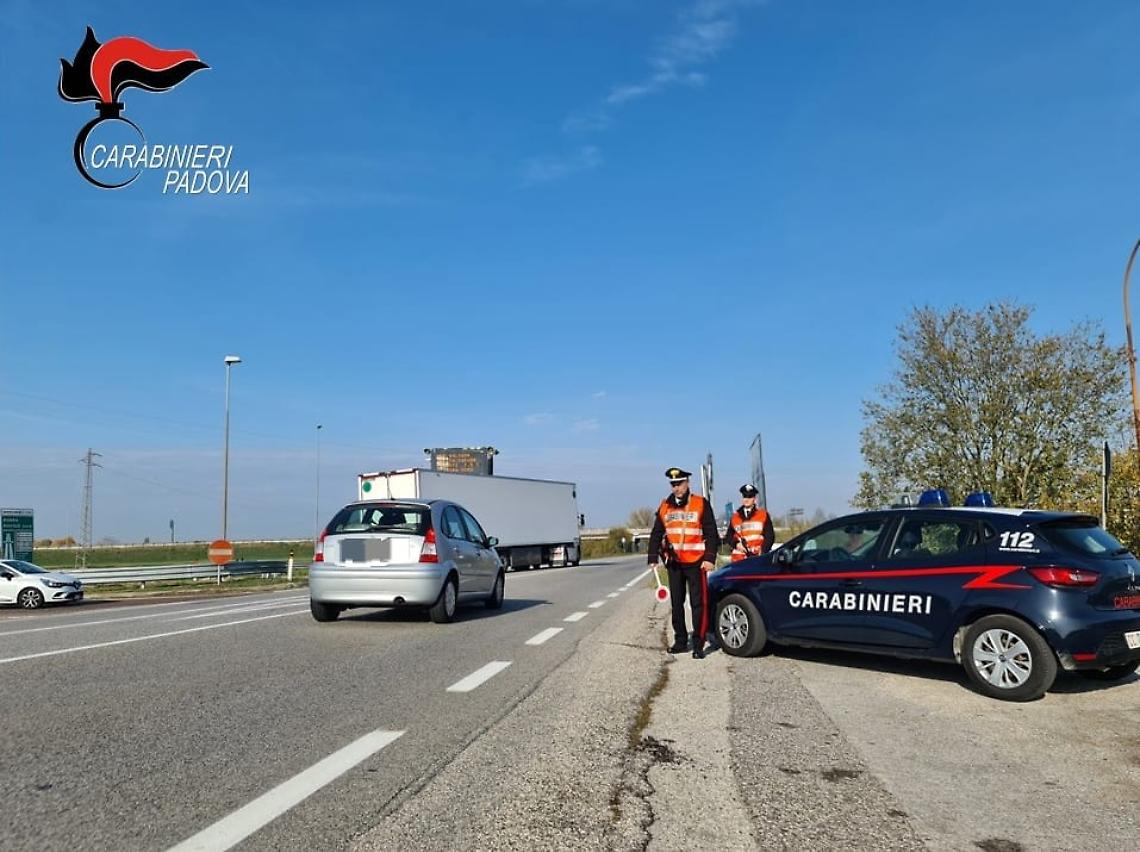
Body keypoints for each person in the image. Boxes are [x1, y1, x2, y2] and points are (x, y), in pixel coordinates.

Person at [648, 467, 720, 659]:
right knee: (676, 604)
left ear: (687, 483)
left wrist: (709, 558)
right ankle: (680, 641)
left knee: (698, 604)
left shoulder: (700, 503)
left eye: (679, 483)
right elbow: (656, 533)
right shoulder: (665, 506)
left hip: (696, 562)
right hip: (674, 563)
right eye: (673, 484)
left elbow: (711, 533)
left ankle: (698, 644)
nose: (676, 488)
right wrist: (652, 558)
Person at [725, 484, 774, 562]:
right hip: (739, 560)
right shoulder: (735, 517)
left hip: (758, 558)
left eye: (750, 497)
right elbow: (729, 536)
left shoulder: (763, 515)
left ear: (754, 499)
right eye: (744, 496)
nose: (746, 499)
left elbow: (770, 537)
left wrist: (763, 552)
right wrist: (737, 544)